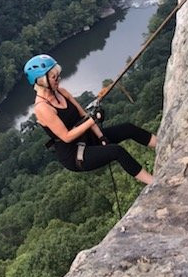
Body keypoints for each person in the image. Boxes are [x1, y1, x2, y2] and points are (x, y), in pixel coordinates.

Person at [24, 54, 156, 185]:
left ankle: (162, 144)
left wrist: (101, 136)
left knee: (128, 128)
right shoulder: (43, 108)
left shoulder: (62, 92)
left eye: (57, 75)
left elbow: (84, 116)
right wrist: (93, 120)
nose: (58, 79)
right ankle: (153, 182)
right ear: (41, 80)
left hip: (88, 137)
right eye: (54, 77)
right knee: (117, 151)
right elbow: (66, 136)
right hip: (74, 154)